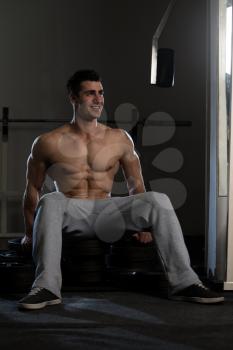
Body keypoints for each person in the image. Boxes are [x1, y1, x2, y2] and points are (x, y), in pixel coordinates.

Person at [18, 69, 224, 310]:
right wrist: (30, 233)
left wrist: (144, 225)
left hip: (108, 212)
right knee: (51, 199)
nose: (98, 99)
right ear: (73, 98)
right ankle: (46, 288)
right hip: (70, 212)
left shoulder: (119, 138)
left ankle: (185, 283)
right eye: (90, 93)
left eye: (101, 93)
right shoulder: (48, 141)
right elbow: (33, 188)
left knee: (157, 199)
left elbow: (135, 183)